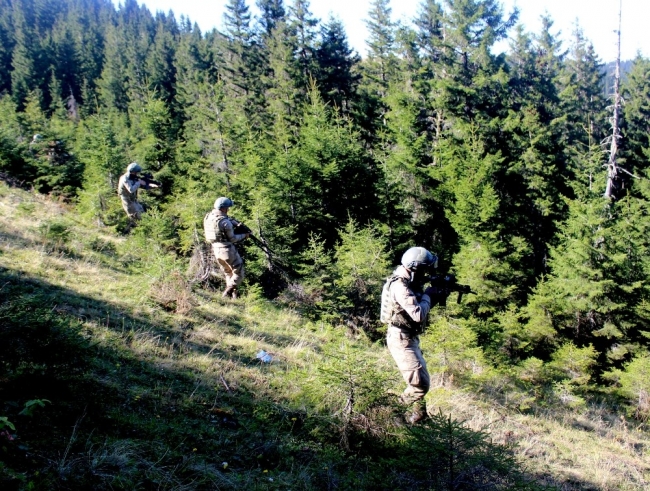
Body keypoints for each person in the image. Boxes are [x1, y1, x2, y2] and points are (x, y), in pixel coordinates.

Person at [380, 246, 442, 424]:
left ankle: (420, 417)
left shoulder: (409, 282)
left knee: (418, 377)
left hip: (408, 336)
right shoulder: (400, 286)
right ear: (417, 269)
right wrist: (429, 296)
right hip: (401, 338)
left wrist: (434, 295)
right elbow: (418, 314)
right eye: (425, 270)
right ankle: (391, 415)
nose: (427, 274)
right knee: (420, 384)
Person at [203, 197, 250, 299]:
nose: (229, 209)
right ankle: (226, 293)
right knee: (239, 273)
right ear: (224, 208)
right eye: (228, 207)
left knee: (228, 272)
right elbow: (232, 239)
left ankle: (234, 297)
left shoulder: (208, 217)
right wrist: (244, 236)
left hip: (215, 249)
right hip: (227, 249)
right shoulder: (225, 222)